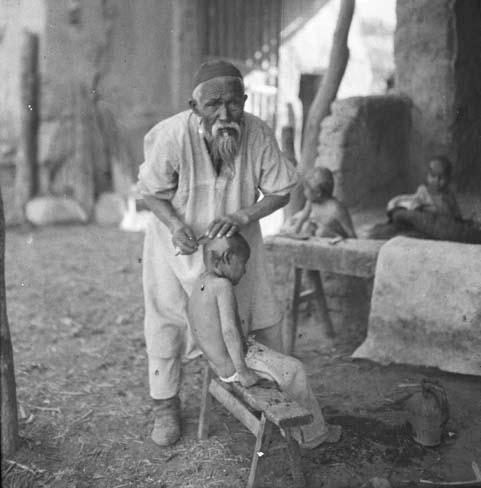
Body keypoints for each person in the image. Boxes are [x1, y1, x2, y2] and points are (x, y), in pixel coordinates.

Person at [137, 59, 298, 446]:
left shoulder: (257, 134)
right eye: (213, 105)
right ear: (195, 108)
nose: (225, 114)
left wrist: (245, 213)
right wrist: (176, 226)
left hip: (238, 248)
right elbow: (149, 193)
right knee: (168, 318)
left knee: (255, 311)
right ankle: (165, 404)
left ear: (244, 100)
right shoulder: (173, 137)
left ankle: (274, 395)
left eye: (233, 103)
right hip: (176, 246)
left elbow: (281, 189)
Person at [188, 233, 341, 449]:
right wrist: (242, 372)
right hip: (236, 364)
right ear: (229, 258)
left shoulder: (202, 281)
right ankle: (312, 436)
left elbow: (197, 325)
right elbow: (230, 332)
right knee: (295, 370)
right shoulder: (222, 286)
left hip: (219, 362)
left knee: (280, 365)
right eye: (244, 264)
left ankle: (299, 428)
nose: (245, 270)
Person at [282, 166, 356, 239]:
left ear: (318, 193)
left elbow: (351, 233)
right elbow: (302, 219)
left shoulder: (337, 209)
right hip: (321, 233)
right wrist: (294, 233)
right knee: (308, 226)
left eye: (306, 189)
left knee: (321, 232)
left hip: (337, 238)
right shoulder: (311, 202)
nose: (304, 192)